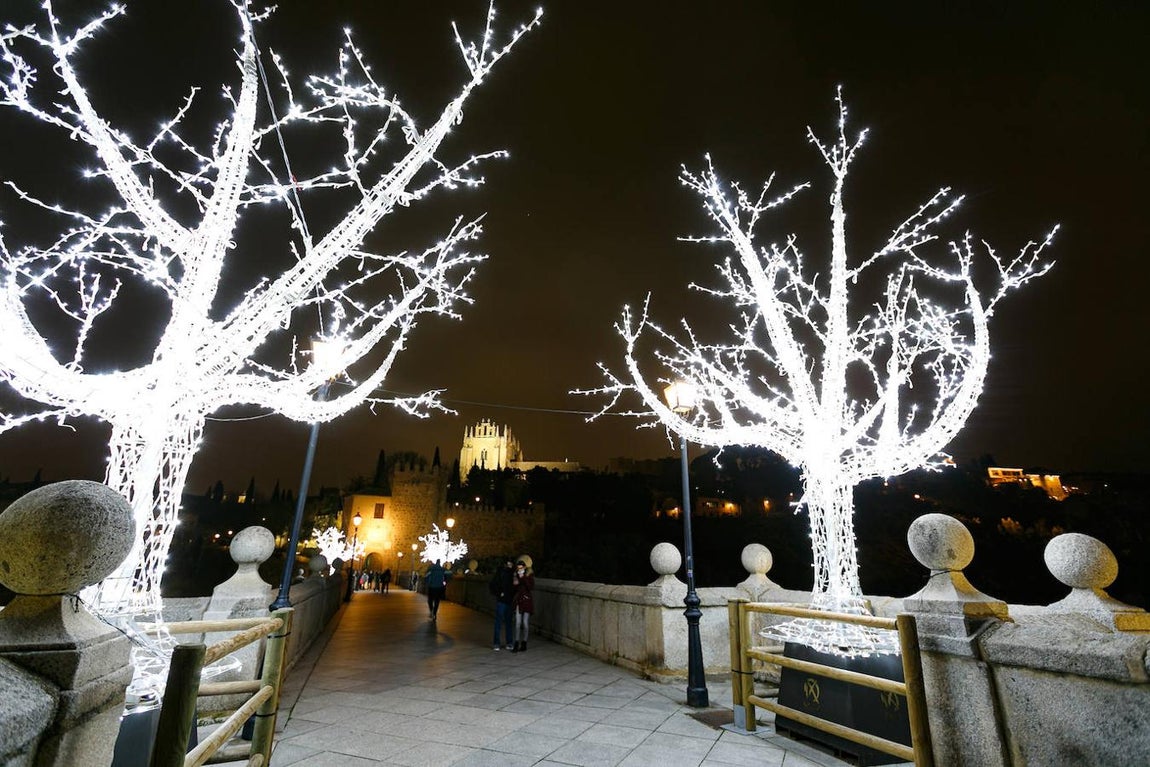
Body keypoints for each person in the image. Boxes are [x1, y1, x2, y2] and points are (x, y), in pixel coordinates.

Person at [488, 559, 515, 651]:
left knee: (507, 623)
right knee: (500, 622)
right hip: (503, 600)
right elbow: (493, 585)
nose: (510, 565)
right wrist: (499, 593)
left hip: (509, 600)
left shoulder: (513, 573)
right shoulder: (501, 572)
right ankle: (497, 643)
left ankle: (507, 643)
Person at [510, 559, 534, 653]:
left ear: (524, 567)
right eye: (518, 567)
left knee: (525, 623)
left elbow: (530, 587)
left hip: (526, 601)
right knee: (517, 623)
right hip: (518, 601)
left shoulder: (529, 575)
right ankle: (516, 643)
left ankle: (524, 643)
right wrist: (515, 581)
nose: (519, 569)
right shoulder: (516, 575)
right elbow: (514, 588)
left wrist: (523, 577)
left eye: (521, 567)